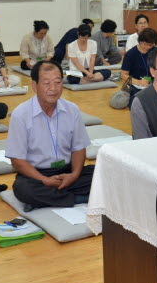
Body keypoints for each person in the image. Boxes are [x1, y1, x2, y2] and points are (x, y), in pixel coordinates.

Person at [5, 60, 94, 209]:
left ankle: (50, 199)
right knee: (23, 189)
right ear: (34, 86)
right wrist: (44, 180)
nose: (53, 88)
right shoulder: (21, 114)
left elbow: (79, 148)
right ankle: (79, 198)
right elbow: (17, 160)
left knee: (103, 172)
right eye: (46, 83)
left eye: (58, 82)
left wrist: (74, 175)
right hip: (37, 174)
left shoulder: (72, 109)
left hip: (68, 171)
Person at [121, 27, 157, 106]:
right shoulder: (130, 54)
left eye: (151, 45)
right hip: (136, 83)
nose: (148, 47)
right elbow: (123, 75)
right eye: (145, 44)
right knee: (136, 99)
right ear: (140, 41)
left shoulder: (155, 51)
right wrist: (138, 82)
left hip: (152, 81)